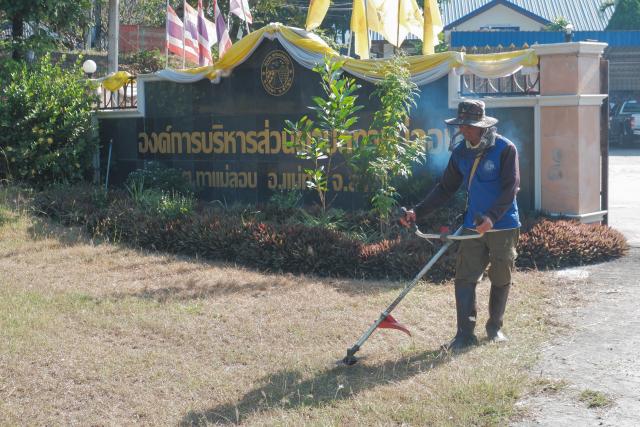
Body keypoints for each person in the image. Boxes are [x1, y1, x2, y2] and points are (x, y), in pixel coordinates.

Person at [400, 99, 521, 352]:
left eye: (468, 125)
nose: (463, 129)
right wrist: (417, 212)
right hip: (471, 227)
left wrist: (491, 218)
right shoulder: (460, 153)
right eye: (461, 125)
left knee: (501, 276)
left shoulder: (505, 149)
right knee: (465, 278)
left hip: (503, 226)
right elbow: (445, 189)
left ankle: (494, 328)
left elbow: (511, 188)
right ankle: (464, 335)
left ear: (482, 126)